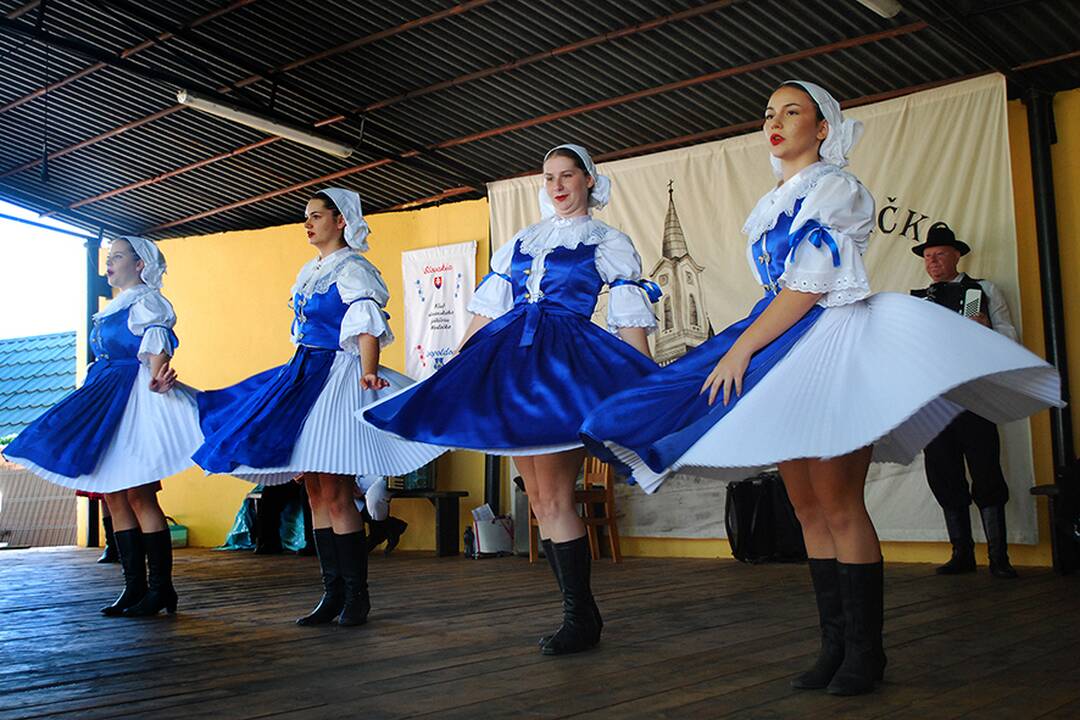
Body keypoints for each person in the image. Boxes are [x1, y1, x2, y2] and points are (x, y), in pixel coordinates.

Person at [580, 81, 1062, 695]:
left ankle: (867, 652)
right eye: (768, 115)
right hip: (783, 347)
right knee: (806, 507)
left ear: (823, 128)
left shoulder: (836, 189)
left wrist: (744, 347)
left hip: (830, 344)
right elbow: (780, 292)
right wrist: (751, 344)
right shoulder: (773, 201)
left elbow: (808, 287)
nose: (775, 124)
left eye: (792, 113)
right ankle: (833, 646)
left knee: (839, 503)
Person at [364, 144, 660, 655]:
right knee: (540, 501)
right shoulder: (524, 241)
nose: (558, 186)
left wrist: (646, 378)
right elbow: (488, 307)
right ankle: (580, 615)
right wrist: (456, 362)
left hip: (564, 364)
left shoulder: (608, 241)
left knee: (557, 496)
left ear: (589, 181)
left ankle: (579, 617)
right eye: (549, 178)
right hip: (513, 360)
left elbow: (630, 313)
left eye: (568, 176)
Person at [192, 188, 444, 627]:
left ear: (340, 221)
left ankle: (356, 597)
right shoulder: (310, 271)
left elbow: (366, 323)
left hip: (339, 375)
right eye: (305, 217)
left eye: (315, 216)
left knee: (336, 490)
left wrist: (369, 371)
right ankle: (332, 592)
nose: (308, 224)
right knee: (313, 490)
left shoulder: (354, 269)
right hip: (305, 374)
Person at [3, 236, 203, 617]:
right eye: (108, 258)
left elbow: (157, 347)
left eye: (117, 257)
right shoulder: (114, 308)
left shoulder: (148, 302)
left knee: (139, 493)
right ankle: (134, 587)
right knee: (112, 492)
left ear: (141, 264)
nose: (109, 264)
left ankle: (161, 589)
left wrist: (160, 375)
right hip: (105, 395)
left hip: (133, 398)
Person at [911, 225, 1020, 578]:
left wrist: (987, 328)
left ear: (957, 255)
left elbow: (1010, 337)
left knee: (986, 469)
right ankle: (962, 553)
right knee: (943, 471)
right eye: (928, 256)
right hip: (936, 398)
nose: (933, 262)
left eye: (939, 254)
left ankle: (999, 557)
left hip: (974, 394)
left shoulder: (981, 291)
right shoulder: (919, 300)